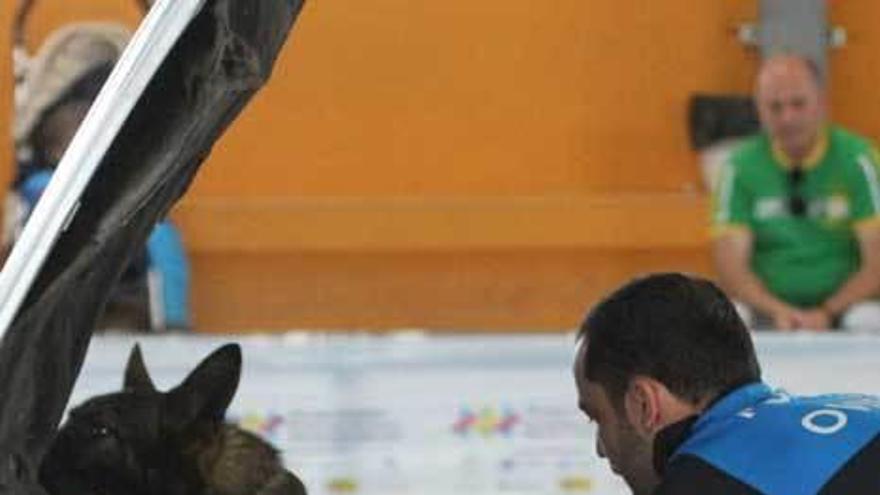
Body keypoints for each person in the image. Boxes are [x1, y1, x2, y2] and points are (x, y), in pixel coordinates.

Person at [573, 272, 880, 494]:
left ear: (643, 404)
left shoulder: (704, 479)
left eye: (598, 418)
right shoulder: (862, 412)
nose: (602, 449)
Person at [8, 0, 190, 331]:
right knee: (41, 201)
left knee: (159, 231)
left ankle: (173, 320)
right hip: (55, 189)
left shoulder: (116, 113)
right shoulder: (54, 120)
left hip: (117, 187)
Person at [712, 54, 880, 331]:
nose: (787, 117)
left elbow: (876, 264)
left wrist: (826, 312)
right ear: (759, 110)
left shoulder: (860, 160)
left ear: (822, 103)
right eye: (775, 107)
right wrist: (779, 311)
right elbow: (731, 268)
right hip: (765, 312)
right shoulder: (738, 168)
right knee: (729, 319)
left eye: (798, 104)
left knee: (867, 320)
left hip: (847, 310)